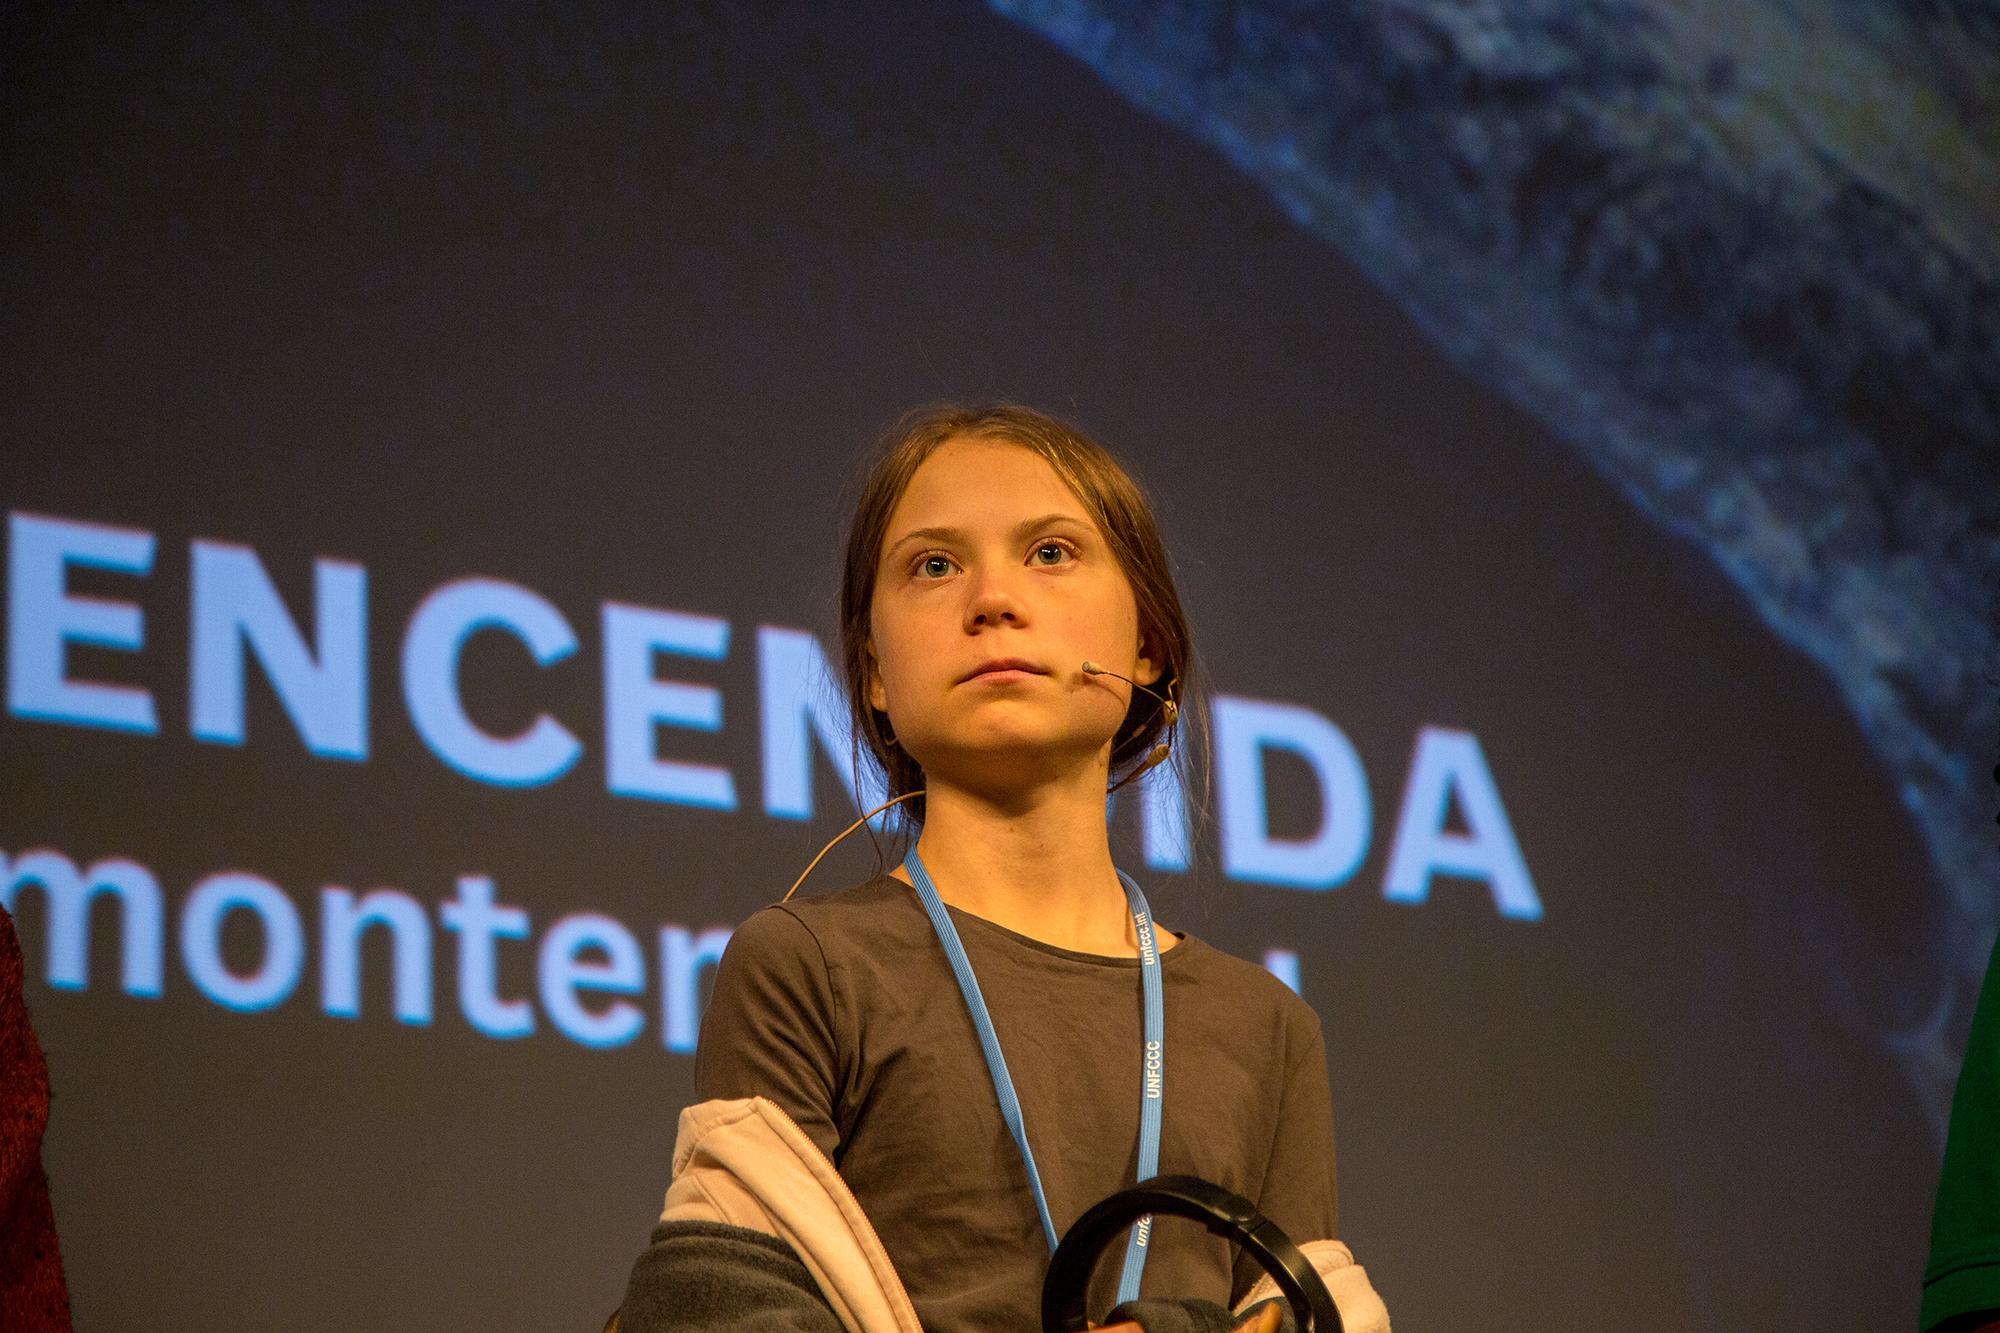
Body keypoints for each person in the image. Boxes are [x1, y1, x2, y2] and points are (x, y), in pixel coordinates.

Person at [615, 405, 1389, 1332]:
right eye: (933, 565)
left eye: (1052, 553)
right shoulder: (805, 964)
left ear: (1149, 641)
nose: (992, 598)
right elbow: (716, 1309)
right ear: (872, 673)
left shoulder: (1267, 1027)